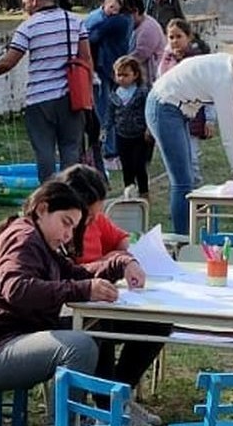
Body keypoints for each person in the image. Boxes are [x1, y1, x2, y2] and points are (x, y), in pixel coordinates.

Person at [0, 182, 146, 405]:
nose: (68, 235)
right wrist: (84, 289)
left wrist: (122, 263)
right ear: (42, 209)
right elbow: (18, 290)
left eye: (73, 228)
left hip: (10, 339)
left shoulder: (39, 239)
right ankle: (68, 420)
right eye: (66, 223)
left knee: (94, 327)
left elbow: (76, 273)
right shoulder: (23, 238)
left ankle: (111, 406)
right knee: (78, 346)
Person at [55, 165, 166, 425]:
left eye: (97, 214)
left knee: (157, 323)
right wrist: (111, 262)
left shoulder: (96, 220)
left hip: (102, 298)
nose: (94, 220)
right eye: (89, 216)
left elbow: (120, 240)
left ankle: (118, 398)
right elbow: (65, 274)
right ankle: (109, 407)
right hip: (71, 309)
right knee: (99, 327)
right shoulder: (59, 230)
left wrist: (131, 256)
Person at [0, 0, 93, 181]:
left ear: (33, 0)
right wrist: (88, 93)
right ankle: (70, 194)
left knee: (44, 151)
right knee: (71, 149)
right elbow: (86, 59)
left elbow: (8, 63)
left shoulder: (28, 26)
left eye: (24, 2)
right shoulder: (75, 21)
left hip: (40, 100)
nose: (23, 6)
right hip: (72, 97)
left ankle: (48, 196)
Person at [146, 42, 233, 236]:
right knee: (182, 181)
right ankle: (183, 241)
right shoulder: (225, 81)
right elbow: (228, 137)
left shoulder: (232, 71)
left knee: (188, 178)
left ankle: (189, 237)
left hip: (178, 109)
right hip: (163, 106)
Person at [158, 19, 213, 185]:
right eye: (171, 37)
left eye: (179, 36)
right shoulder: (166, 60)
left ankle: (196, 194)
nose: (174, 41)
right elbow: (160, 85)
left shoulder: (197, 61)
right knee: (176, 159)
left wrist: (210, 119)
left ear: (188, 37)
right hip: (170, 115)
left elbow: (208, 91)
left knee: (192, 159)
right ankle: (182, 193)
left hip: (193, 116)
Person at [85, 0, 133, 164]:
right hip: (110, 68)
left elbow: (91, 36)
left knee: (105, 110)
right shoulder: (124, 19)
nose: (113, 10)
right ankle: (111, 148)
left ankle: (110, 150)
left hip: (106, 69)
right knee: (111, 108)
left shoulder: (117, 21)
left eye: (117, 6)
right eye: (112, 6)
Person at [109, 56, 150, 197]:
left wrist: (149, 129)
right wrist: (105, 128)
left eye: (126, 75)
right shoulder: (115, 94)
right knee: (126, 166)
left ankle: (144, 193)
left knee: (139, 165)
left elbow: (149, 112)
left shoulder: (142, 92)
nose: (121, 78)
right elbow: (110, 114)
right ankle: (129, 193)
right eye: (118, 75)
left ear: (135, 75)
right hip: (121, 134)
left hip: (140, 135)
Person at [125, 0, 165, 84]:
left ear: (136, 12)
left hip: (150, 76)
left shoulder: (148, 28)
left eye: (128, 14)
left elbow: (140, 54)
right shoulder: (138, 26)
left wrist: (122, 64)